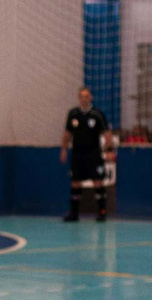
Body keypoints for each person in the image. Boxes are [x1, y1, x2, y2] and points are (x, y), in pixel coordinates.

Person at [60, 87, 113, 222]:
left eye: (86, 96)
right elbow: (67, 134)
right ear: (79, 98)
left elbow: (107, 134)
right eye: (81, 96)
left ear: (91, 98)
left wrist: (108, 150)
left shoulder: (97, 114)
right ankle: (74, 214)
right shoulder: (73, 114)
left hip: (93, 153)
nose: (84, 99)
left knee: (97, 181)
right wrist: (64, 149)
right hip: (78, 154)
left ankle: (102, 212)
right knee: (75, 182)